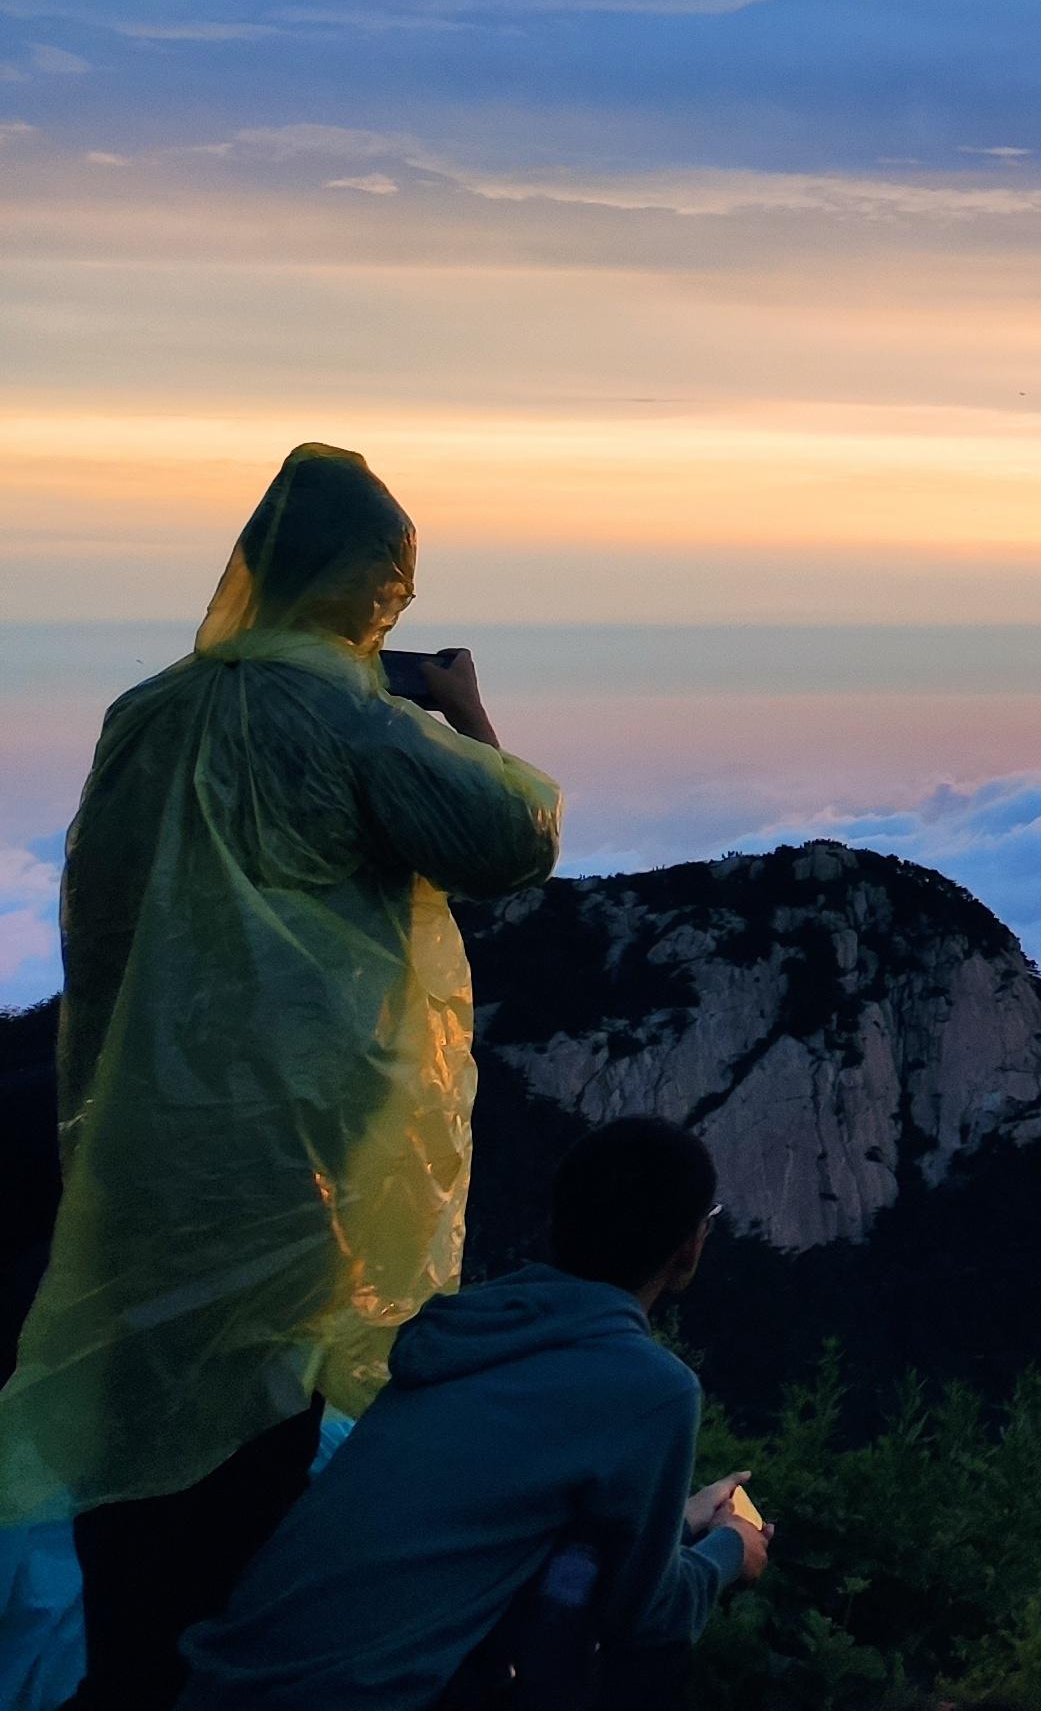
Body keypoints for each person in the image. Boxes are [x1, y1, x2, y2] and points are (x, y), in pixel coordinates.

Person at [0, 448, 563, 1710]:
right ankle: (224, 1666)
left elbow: (98, 914)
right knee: (262, 1410)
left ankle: (132, 1656)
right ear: (372, 588)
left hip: (140, 1121)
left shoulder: (143, 713)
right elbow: (513, 841)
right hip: (296, 1137)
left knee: (143, 1393)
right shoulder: (350, 718)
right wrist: (458, 711)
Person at [173, 1119, 769, 1711]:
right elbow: (646, 1615)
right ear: (689, 1247)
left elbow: (493, 1501)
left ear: (559, 1220)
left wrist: (684, 1519)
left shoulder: (464, 1331)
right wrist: (731, 1550)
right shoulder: (651, 1389)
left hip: (217, 1676)